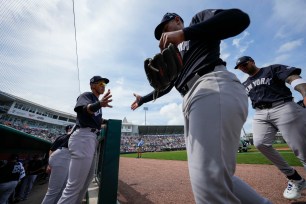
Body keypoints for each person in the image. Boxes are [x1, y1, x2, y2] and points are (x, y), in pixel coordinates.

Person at [131, 9, 271, 203]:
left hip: (211, 84)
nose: (163, 35)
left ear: (178, 21)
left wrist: (183, 34)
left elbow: (239, 18)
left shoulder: (197, 23)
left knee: (208, 183)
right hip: (191, 98)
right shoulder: (175, 55)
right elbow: (168, 86)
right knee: (214, 176)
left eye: (165, 28)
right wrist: (142, 100)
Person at [234, 56, 306, 200]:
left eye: (244, 64)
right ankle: (295, 178)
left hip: (283, 106)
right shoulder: (245, 83)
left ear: (252, 61)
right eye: (240, 67)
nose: (242, 67)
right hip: (260, 113)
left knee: (302, 149)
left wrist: (304, 92)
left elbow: (292, 77)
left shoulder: (271, 69)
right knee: (260, 143)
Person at [57, 75, 112, 204]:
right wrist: (99, 104)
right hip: (83, 138)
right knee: (74, 187)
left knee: (84, 185)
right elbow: (83, 109)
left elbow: (95, 119)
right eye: (100, 83)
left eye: (104, 84)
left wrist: (105, 121)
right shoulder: (87, 96)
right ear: (92, 85)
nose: (103, 85)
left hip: (90, 139)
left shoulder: (97, 104)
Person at [41, 124, 74, 204]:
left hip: (67, 161)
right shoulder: (62, 137)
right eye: (71, 128)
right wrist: (49, 164)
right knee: (54, 190)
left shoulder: (71, 138)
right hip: (60, 159)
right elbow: (52, 150)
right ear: (68, 129)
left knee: (63, 189)